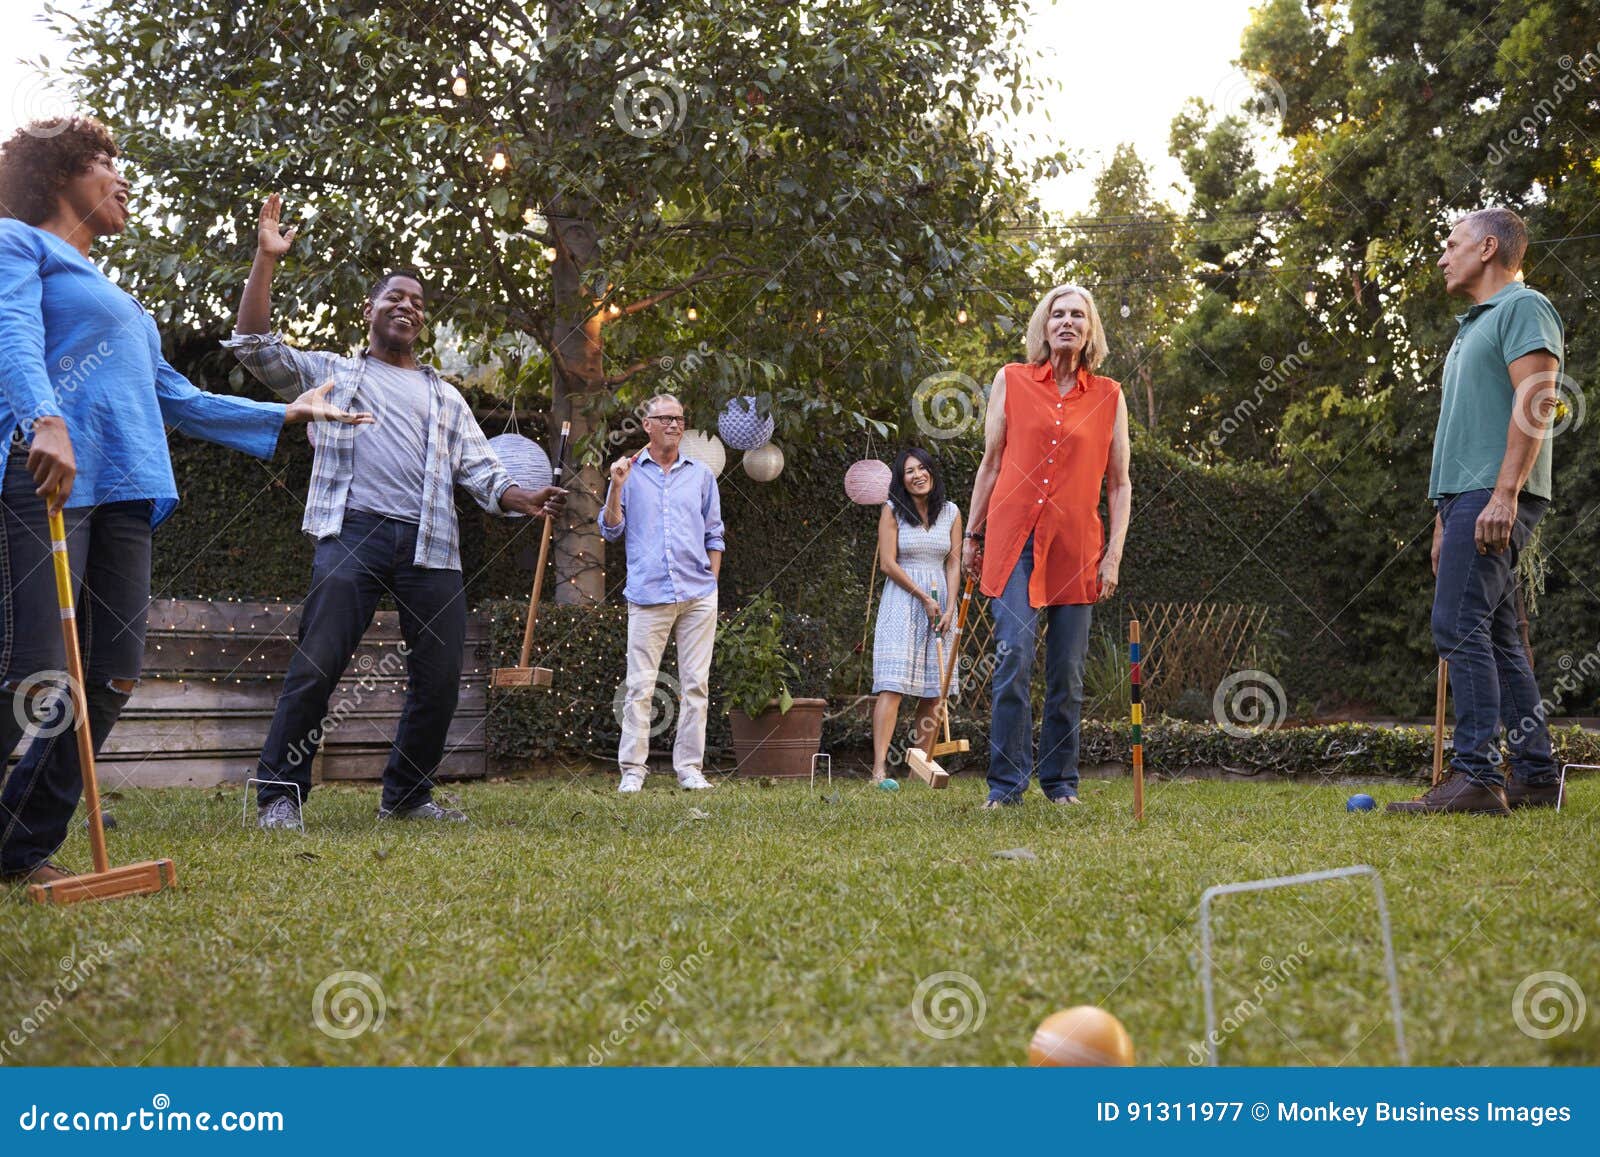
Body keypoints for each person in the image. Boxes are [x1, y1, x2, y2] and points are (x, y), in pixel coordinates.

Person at [0, 120, 368, 885]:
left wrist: (288, 414)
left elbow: (176, 395)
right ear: (58, 174)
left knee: (111, 675)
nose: (121, 177)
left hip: (128, 491)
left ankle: (18, 846)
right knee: (34, 671)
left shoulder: (122, 302)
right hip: (46, 478)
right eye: (104, 163)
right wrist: (45, 419)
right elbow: (11, 334)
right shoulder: (17, 243)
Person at [229, 195, 567, 829]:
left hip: (430, 546)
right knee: (318, 664)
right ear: (369, 312)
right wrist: (265, 260)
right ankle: (279, 795)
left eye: (416, 301)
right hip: (351, 535)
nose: (406, 306)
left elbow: (481, 470)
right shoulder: (331, 373)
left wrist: (522, 497)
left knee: (439, 678)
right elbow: (253, 346)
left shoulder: (445, 395)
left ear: (423, 321)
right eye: (394, 298)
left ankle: (407, 797)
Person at [1389, 208, 1563, 815]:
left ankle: (1476, 776)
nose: (1442, 256)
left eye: (1451, 243)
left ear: (1488, 248)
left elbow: (1538, 398)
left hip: (1495, 495)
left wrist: (1505, 493)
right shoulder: (1472, 326)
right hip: (1469, 499)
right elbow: (1459, 434)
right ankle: (1537, 775)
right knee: (1495, 634)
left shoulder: (1523, 306)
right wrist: (1443, 519)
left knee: (1456, 625)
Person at [963, 284, 1132, 808]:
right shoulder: (1010, 381)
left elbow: (1119, 484)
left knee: (1068, 672)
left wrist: (1114, 554)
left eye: (1077, 315)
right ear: (1043, 326)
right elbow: (990, 463)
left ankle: (1060, 784)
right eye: (1057, 314)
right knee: (1013, 655)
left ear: (1090, 330)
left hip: (1077, 549)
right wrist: (972, 535)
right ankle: (1006, 786)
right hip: (1014, 542)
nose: (1066, 322)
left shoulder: (1109, 395)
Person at [600, 394, 724, 793]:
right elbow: (611, 529)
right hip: (648, 594)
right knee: (640, 685)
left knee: (695, 685)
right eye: (665, 418)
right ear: (647, 425)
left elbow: (715, 533)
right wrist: (615, 488)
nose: (674, 424)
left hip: (698, 594)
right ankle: (633, 770)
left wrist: (712, 581)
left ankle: (689, 768)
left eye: (680, 418)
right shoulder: (628, 473)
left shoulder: (701, 475)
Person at [869, 448, 962, 783]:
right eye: (909, 471)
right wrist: (922, 596)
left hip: (940, 606)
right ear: (901, 479)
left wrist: (950, 607)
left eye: (922, 468)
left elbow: (953, 561)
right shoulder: (892, 510)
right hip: (903, 602)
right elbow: (887, 563)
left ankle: (917, 768)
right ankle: (879, 768)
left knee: (934, 690)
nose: (917, 475)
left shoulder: (950, 512)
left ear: (932, 473)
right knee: (892, 686)